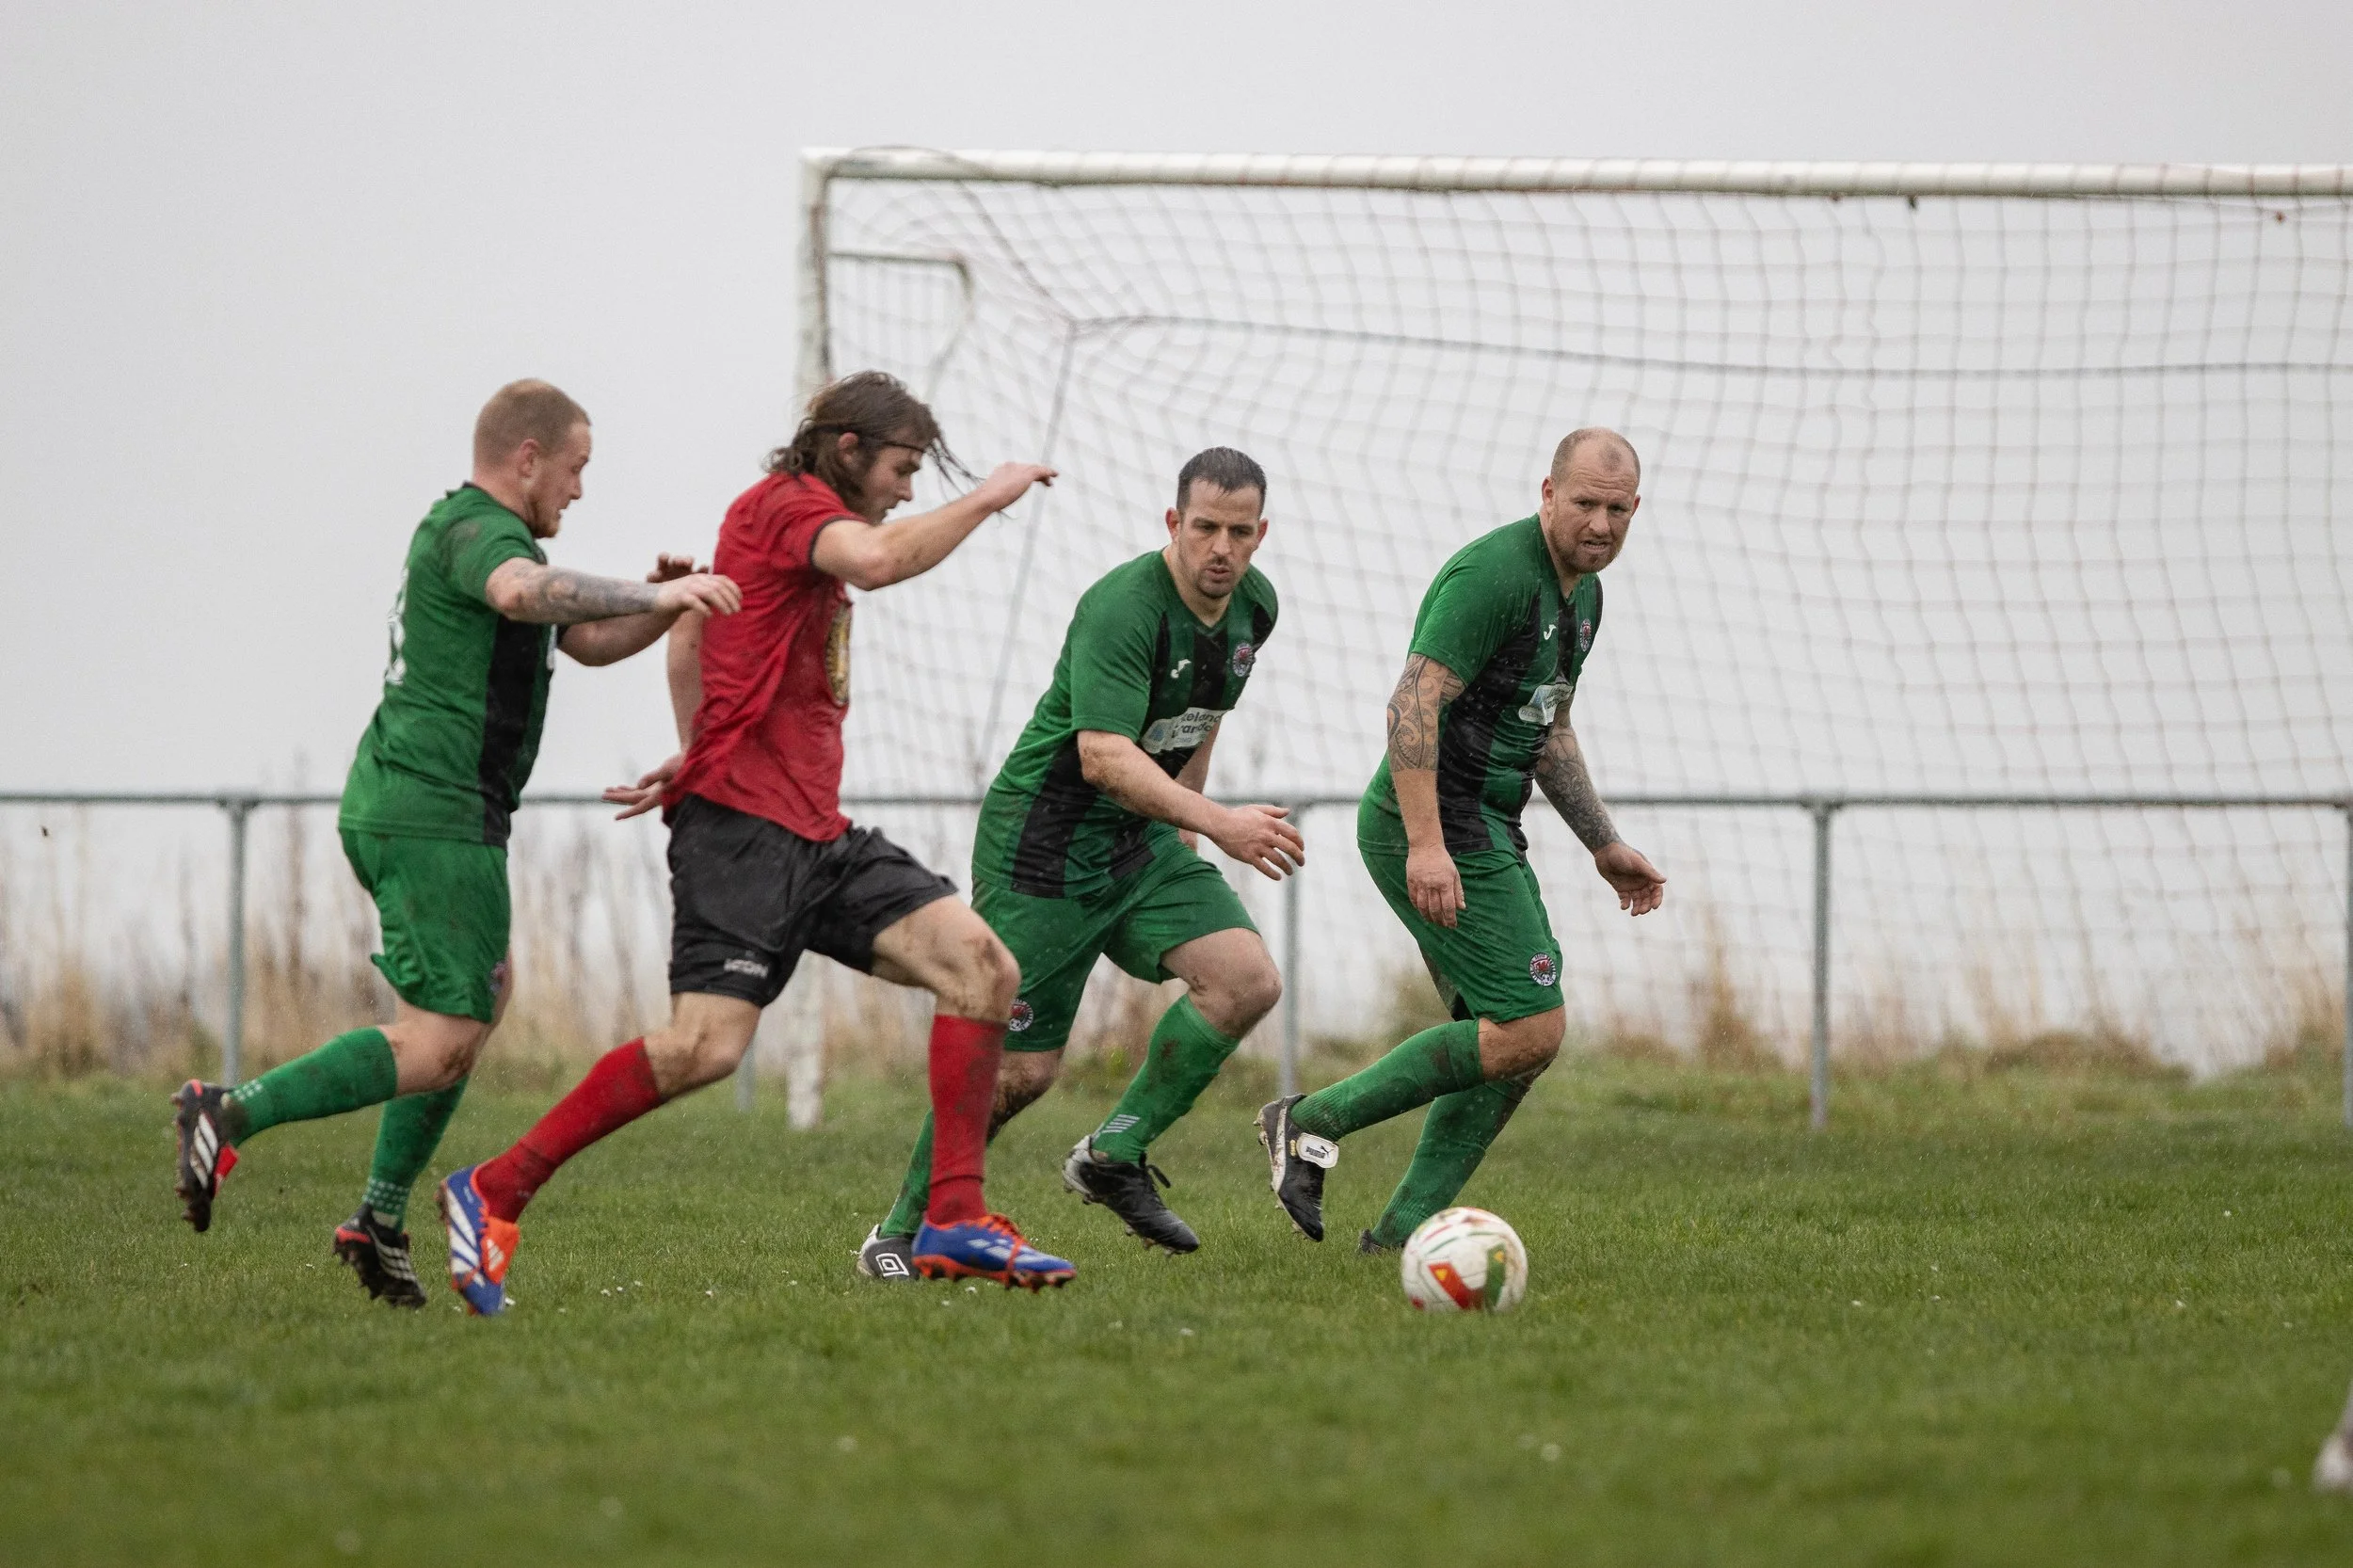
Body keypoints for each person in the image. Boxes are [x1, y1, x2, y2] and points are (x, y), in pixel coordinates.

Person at [434, 371, 1069, 1314]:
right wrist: (986, 494)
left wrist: (697, 745)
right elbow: (880, 559)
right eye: (900, 469)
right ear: (847, 449)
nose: (905, 489)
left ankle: (952, 1217)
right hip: (742, 838)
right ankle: (492, 1189)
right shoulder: (785, 508)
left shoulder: (790, 528)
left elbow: (697, 618)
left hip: (817, 833)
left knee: (983, 968)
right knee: (703, 1048)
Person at [170, 379, 743, 1309]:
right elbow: (525, 595)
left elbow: (585, 635)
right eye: (576, 467)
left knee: (479, 998)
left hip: (425, 806)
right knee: (439, 1043)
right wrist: (655, 585)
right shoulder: (481, 534)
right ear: (526, 457)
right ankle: (229, 1113)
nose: (581, 489)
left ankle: (377, 1220)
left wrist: (666, 605)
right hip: (431, 811)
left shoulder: (482, 534)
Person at [858, 447, 1300, 1278]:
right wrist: (1218, 820)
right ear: (1173, 523)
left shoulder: (1255, 608)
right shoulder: (1122, 607)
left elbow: (1200, 715)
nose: (1221, 549)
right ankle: (899, 1229)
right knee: (1022, 1072)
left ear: (1260, 534)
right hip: (1046, 847)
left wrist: (1188, 829)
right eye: (1204, 527)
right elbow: (1103, 757)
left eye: (1240, 533)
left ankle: (1113, 1155)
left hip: (1140, 843)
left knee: (1246, 980)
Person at [1256, 428, 1667, 1250]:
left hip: (1485, 825)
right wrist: (1427, 847)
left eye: (1617, 509)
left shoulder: (1582, 594)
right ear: (1547, 493)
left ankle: (1399, 1235)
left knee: (1511, 1041)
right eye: (1584, 503)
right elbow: (1412, 704)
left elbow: (1549, 730)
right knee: (1532, 1024)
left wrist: (1603, 843)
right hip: (1438, 825)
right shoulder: (1494, 575)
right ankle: (1307, 1123)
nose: (1600, 523)